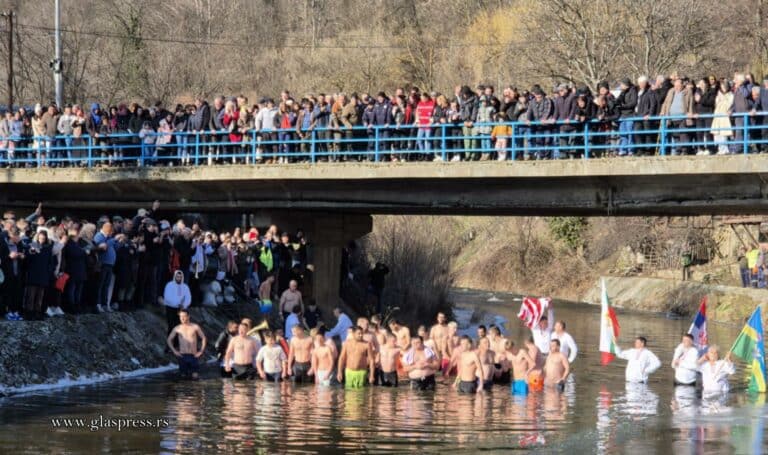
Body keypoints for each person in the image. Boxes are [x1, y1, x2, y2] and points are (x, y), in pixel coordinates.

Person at [166, 309, 207, 380]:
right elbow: (169, 340)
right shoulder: (177, 328)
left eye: (184, 316)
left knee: (195, 376)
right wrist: (174, 351)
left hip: (193, 355)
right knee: (183, 377)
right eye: (180, 316)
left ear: (188, 316)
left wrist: (201, 351)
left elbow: (203, 338)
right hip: (182, 355)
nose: (182, 318)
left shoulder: (195, 327)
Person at [93, 221, 117, 313]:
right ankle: (98, 304)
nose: (112, 230)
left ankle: (105, 304)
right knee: (100, 285)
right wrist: (114, 239)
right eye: (110, 228)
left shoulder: (109, 237)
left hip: (110, 264)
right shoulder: (99, 236)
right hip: (103, 264)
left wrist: (119, 241)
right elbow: (103, 247)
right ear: (104, 228)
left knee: (106, 285)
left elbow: (114, 247)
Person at [161, 270, 191, 335]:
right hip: (170, 308)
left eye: (180, 277)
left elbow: (188, 298)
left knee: (179, 326)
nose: (179, 278)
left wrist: (184, 305)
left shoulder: (185, 287)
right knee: (171, 326)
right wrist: (177, 303)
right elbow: (167, 297)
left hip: (180, 309)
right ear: (174, 277)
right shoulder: (169, 285)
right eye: (177, 277)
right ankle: (170, 340)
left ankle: (177, 340)